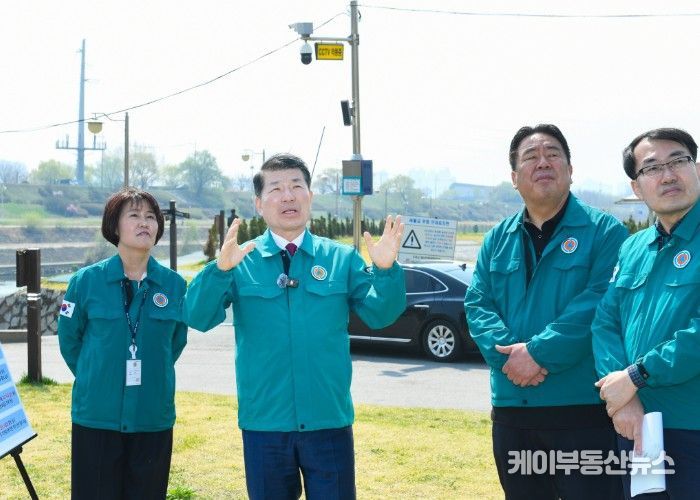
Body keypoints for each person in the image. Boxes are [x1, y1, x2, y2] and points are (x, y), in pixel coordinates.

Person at [184, 153, 405, 499]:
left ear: (310, 196)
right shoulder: (241, 260)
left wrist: (386, 270)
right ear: (259, 204)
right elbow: (197, 316)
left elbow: (381, 315)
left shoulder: (341, 259)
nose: (288, 196)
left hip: (327, 420)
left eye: (296, 186)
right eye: (275, 189)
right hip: (265, 423)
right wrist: (219, 271)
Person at [464, 124, 628, 499]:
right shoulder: (496, 239)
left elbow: (599, 303)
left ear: (570, 170)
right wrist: (510, 358)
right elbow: (478, 303)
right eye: (531, 156)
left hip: (582, 411)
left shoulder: (605, 232)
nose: (543, 162)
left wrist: (537, 353)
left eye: (553, 154)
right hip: (513, 412)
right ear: (514, 177)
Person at [58, 188, 188, 499]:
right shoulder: (85, 282)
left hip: (151, 414)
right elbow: (69, 340)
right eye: (134, 215)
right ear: (114, 227)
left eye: (151, 217)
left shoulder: (174, 285)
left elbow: (175, 343)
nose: (145, 223)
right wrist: (97, 374)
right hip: (97, 414)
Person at [593, 128, 700, 498]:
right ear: (637, 187)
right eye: (652, 168)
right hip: (638, 427)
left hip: (692, 426)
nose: (668, 175)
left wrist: (637, 375)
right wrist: (622, 394)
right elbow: (605, 322)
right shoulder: (633, 247)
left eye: (679, 161)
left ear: (696, 168)